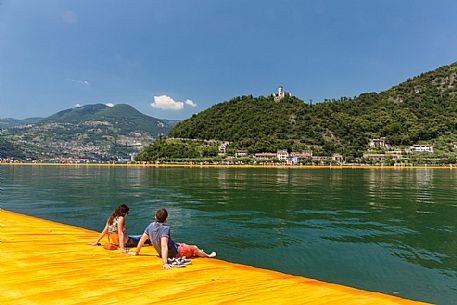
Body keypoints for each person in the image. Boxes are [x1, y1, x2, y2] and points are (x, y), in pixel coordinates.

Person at [129, 208, 216, 269]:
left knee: (181, 244)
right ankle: (208, 256)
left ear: (155, 217)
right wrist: (165, 263)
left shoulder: (150, 226)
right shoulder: (165, 228)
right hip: (175, 253)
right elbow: (164, 246)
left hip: (168, 250)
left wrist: (137, 252)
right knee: (194, 248)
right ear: (166, 219)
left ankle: (190, 249)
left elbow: (142, 239)